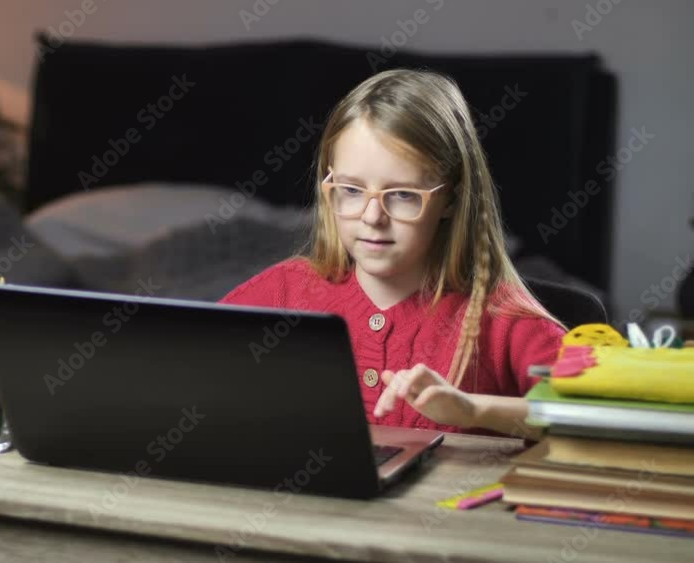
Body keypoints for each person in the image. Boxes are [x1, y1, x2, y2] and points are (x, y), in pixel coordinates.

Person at [220, 69, 565, 437]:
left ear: (451, 196)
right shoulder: (283, 292)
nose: (372, 218)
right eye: (351, 190)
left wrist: (473, 409)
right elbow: (181, 366)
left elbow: (598, 420)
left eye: (402, 195)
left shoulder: (501, 318)